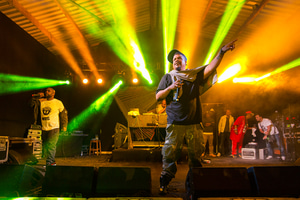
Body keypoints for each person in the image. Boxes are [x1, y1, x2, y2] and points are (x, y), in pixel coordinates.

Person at [156, 39, 237, 194]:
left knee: (196, 157)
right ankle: (164, 183)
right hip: (174, 123)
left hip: (193, 123)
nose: (176, 60)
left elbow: (211, 67)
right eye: (174, 60)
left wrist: (221, 52)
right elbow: (158, 96)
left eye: (179, 58)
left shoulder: (193, 75)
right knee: (169, 154)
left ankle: (195, 185)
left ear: (185, 61)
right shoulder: (168, 77)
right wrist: (171, 87)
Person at [32, 88, 68, 166]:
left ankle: (50, 162)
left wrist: (64, 126)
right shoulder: (41, 101)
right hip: (44, 127)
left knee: (51, 145)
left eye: (49, 91)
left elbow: (64, 114)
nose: (46, 92)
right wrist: (35, 97)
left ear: (53, 93)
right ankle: (52, 161)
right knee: (46, 145)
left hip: (54, 127)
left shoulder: (58, 102)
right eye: (46, 91)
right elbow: (30, 105)